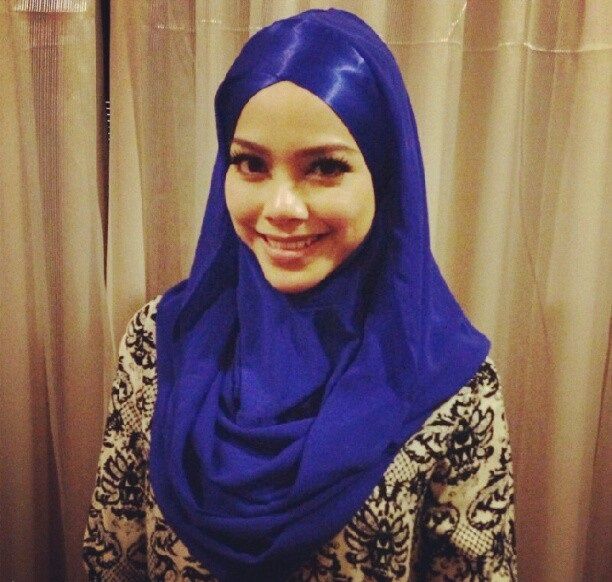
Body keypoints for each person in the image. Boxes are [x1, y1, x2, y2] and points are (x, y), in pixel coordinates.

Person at [83, 9, 517, 582]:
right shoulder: (157, 346)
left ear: (385, 176)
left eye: (325, 167)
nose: (281, 207)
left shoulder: (451, 385)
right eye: (251, 163)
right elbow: (113, 558)